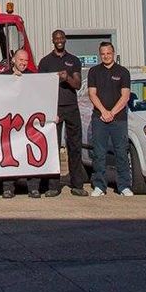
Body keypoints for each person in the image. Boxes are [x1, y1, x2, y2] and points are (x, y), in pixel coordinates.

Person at [38, 30, 89, 197]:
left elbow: (77, 84)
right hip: (54, 108)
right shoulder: (45, 62)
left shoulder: (73, 60)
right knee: (53, 147)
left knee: (74, 146)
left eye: (61, 38)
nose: (59, 41)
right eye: (56, 38)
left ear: (65, 40)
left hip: (71, 107)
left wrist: (66, 77)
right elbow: (41, 86)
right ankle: (53, 185)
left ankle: (77, 184)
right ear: (53, 40)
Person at [87, 42, 132, 197]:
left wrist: (112, 113)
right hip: (99, 118)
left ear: (113, 53)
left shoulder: (123, 72)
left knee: (121, 152)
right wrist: (104, 112)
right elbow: (92, 94)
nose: (106, 56)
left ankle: (124, 186)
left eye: (108, 53)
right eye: (103, 53)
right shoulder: (94, 71)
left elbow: (125, 96)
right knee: (99, 153)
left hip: (118, 119)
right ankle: (99, 186)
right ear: (100, 54)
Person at [5, 49, 42, 198]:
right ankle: (8, 187)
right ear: (13, 60)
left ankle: (33, 187)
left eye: (26, 61)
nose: (23, 63)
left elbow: (43, 97)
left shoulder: (34, 77)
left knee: (31, 154)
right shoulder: (3, 77)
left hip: (29, 124)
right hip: (10, 125)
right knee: (9, 155)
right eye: (20, 60)